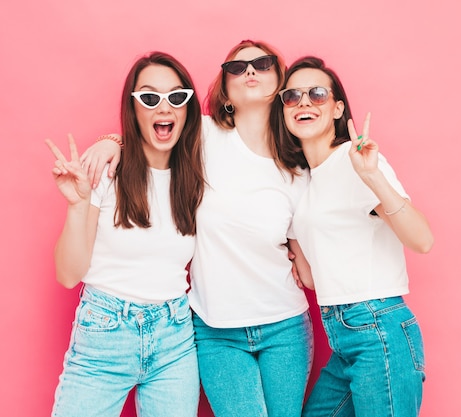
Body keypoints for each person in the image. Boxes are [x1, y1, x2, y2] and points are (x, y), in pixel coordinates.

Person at [79, 40, 314, 417]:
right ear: (225, 89)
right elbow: (150, 136)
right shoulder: (201, 136)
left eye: (262, 63)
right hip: (216, 328)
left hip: (286, 326)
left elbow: (307, 266)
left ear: (280, 81)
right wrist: (112, 142)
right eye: (237, 68)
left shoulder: (298, 167)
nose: (249, 71)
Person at [272, 56, 435, 417]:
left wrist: (373, 177)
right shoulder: (308, 182)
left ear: (337, 108)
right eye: (292, 96)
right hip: (343, 336)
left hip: (379, 328)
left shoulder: (354, 160)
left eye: (316, 94)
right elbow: (315, 278)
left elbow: (422, 239)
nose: (304, 103)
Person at [46, 51, 204, 417]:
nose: (164, 107)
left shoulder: (197, 173)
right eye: (149, 98)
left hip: (175, 337)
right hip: (105, 331)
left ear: (187, 109)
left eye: (176, 97)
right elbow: (68, 275)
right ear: (133, 108)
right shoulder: (104, 172)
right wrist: (77, 205)